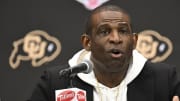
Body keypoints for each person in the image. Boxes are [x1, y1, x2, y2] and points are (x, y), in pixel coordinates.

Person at [28, 5, 180, 101]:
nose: (115, 39)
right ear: (87, 42)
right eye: (104, 31)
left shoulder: (164, 80)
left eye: (123, 31)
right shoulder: (58, 81)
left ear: (134, 41)